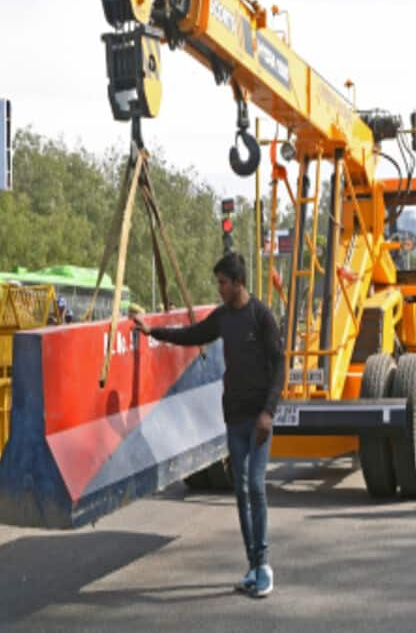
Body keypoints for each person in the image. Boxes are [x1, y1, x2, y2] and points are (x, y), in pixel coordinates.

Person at [130, 252, 284, 598]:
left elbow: (279, 366)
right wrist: (152, 331)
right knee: (241, 491)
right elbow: (191, 334)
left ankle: (264, 566)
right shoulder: (224, 318)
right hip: (234, 418)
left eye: (222, 282)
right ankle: (252, 566)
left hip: (258, 421)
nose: (219, 288)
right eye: (218, 283)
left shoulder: (261, 317)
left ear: (238, 283)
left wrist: (268, 413)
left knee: (256, 489)